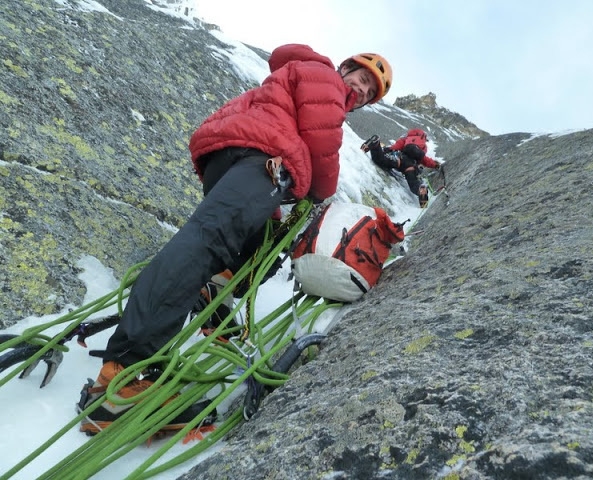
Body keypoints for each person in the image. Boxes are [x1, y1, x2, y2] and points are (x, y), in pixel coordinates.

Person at [77, 44, 393, 434]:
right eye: (361, 80)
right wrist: (319, 192)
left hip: (238, 157)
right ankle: (121, 379)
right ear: (345, 68)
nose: (361, 91)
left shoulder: (297, 78)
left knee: (253, 245)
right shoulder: (323, 77)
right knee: (208, 241)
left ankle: (212, 294)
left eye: (369, 93)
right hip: (265, 160)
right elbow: (323, 143)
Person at [361, 128, 441, 207]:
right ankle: (420, 189)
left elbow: (396, 146)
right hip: (410, 166)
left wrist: (387, 149)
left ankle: (376, 144)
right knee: (413, 184)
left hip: (400, 159)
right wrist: (435, 164)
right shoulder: (423, 147)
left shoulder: (407, 139)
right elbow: (425, 160)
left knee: (380, 159)